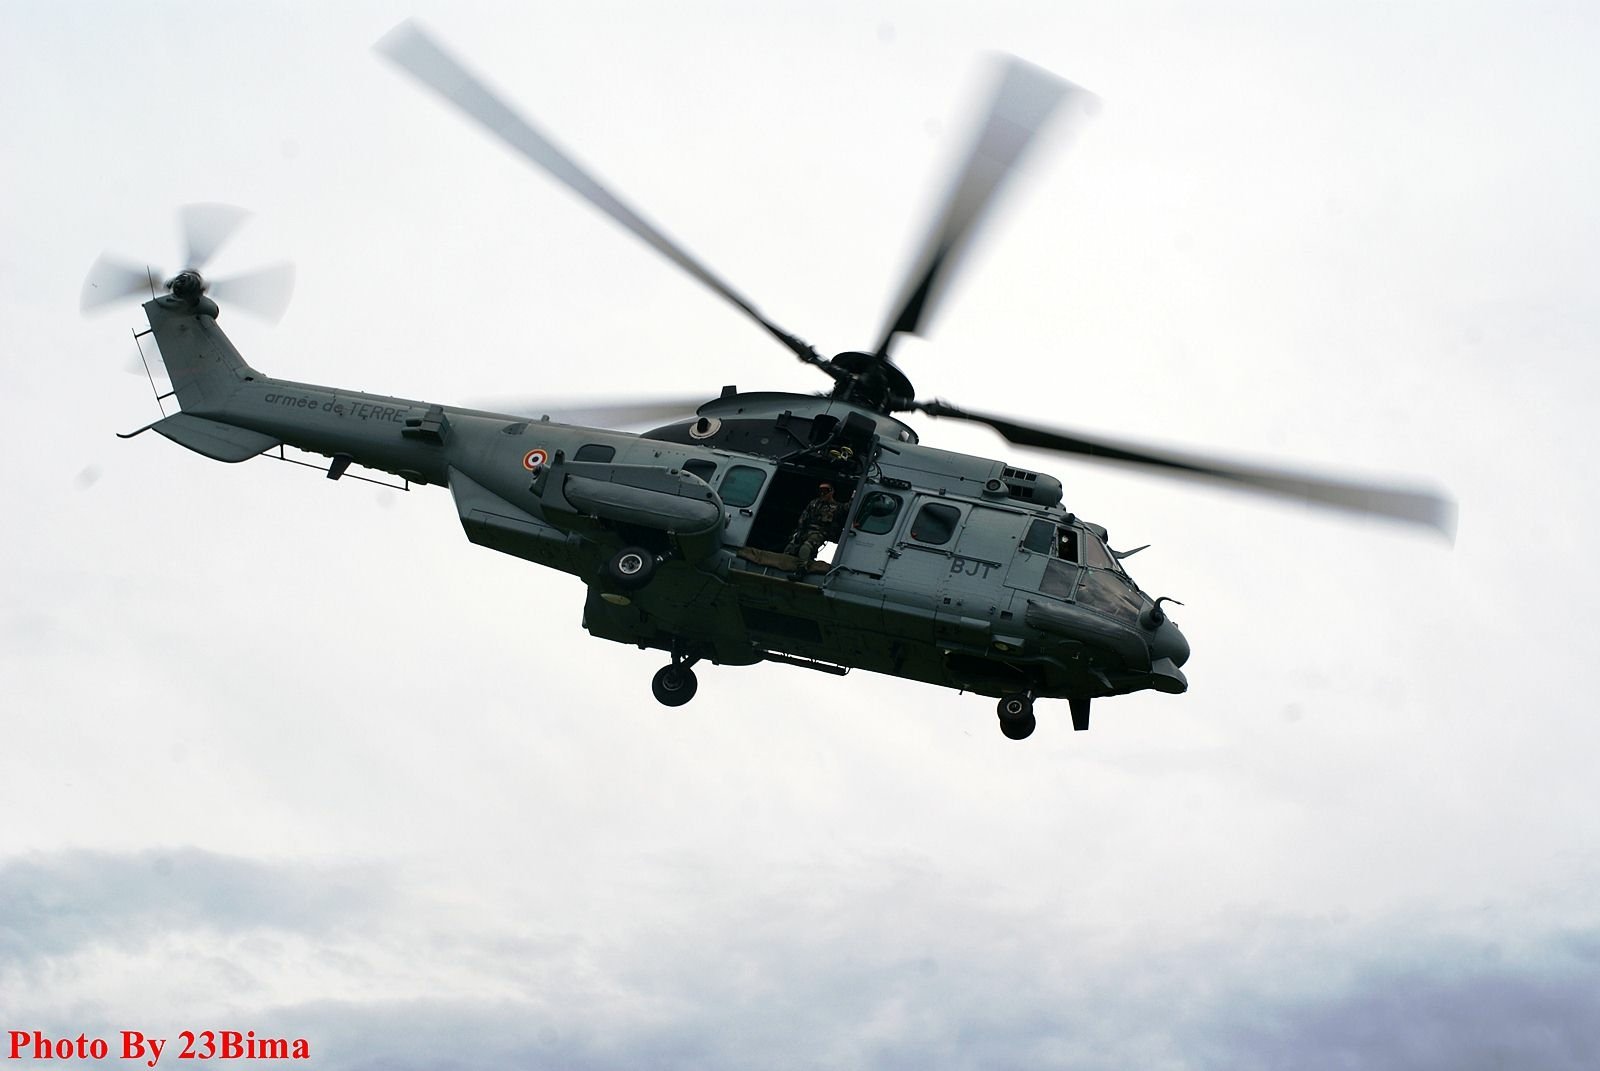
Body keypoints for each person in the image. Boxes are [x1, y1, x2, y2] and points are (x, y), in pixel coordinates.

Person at [784, 482, 841, 570]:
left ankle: (802, 569)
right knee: (791, 547)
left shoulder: (837, 507)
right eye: (821, 491)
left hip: (819, 533)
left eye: (825, 491)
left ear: (831, 492)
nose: (822, 493)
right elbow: (804, 517)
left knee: (806, 547)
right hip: (805, 530)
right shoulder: (814, 503)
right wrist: (799, 531)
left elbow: (849, 508)